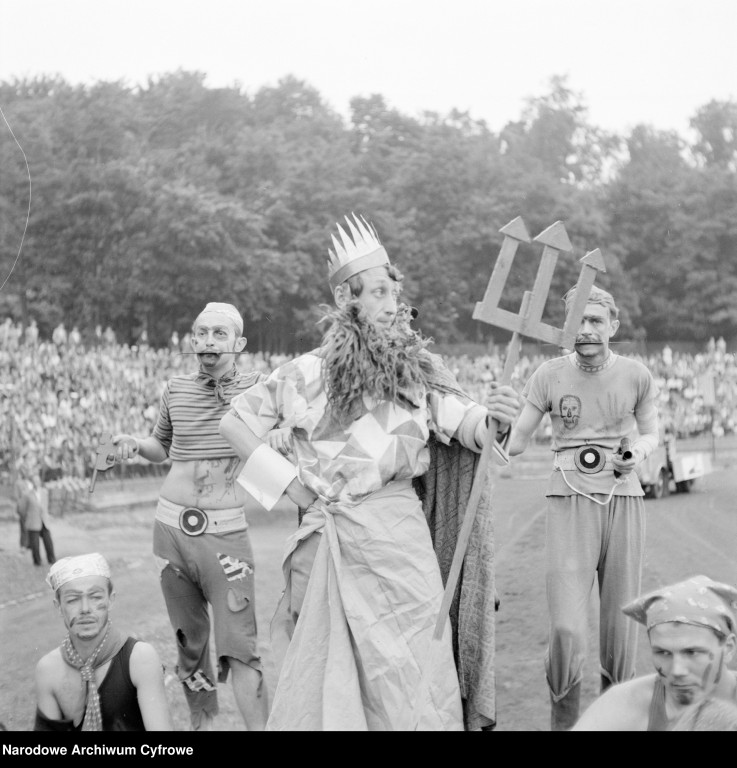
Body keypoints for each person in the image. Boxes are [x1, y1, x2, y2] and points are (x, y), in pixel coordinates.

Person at [219, 213, 521, 731]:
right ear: (345, 299)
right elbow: (235, 423)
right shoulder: (302, 373)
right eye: (377, 292)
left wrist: (495, 416)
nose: (391, 304)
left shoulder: (417, 373)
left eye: (392, 292)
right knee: (321, 679)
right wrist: (291, 486)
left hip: (398, 546)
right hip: (324, 542)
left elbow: (467, 424)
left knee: (415, 681)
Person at [508, 284, 660, 730]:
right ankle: (564, 722)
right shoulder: (548, 375)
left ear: (613, 325)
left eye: (596, 321)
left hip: (623, 496)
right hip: (568, 499)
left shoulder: (637, 375)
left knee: (621, 627)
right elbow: (514, 443)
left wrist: (637, 455)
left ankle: (616, 720)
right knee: (567, 629)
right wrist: (497, 419)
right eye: (578, 322)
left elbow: (652, 432)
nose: (587, 330)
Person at [111, 302, 268, 731]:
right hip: (169, 531)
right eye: (200, 334)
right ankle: (203, 727)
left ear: (239, 344)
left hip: (226, 536)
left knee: (240, 646)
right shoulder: (175, 388)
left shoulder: (261, 388)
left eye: (219, 334)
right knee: (189, 644)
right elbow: (161, 448)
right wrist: (134, 443)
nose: (207, 342)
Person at [572, 574, 737, 731]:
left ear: (728, 647)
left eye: (692, 652)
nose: (677, 670)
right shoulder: (631, 701)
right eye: (663, 653)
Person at [34, 552, 172, 731]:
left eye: (95, 597)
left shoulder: (140, 659)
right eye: (73, 599)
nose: (85, 609)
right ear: (58, 607)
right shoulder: (48, 669)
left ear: (110, 600)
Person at [15, 471, 56, 567]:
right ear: (32, 482)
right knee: (35, 545)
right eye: (34, 481)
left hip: (44, 522)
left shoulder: (44, 492)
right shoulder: (27, 494)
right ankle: (37, 562)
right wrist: (27, 516)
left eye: (38, 481)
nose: (36, 483)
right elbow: (22, 509)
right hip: (33, 522)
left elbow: (46, 506)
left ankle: (52, 559)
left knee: (48, 542)